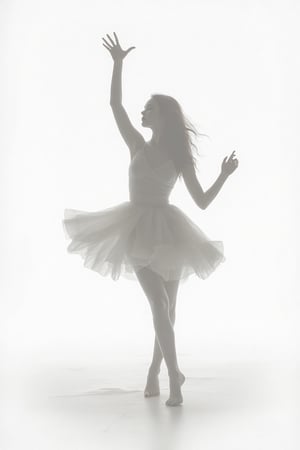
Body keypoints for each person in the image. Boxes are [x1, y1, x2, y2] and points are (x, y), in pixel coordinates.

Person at [62, 32, 239, 407]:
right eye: (142, 108)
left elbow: (202, 202)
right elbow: (115, 105)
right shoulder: (136, 145)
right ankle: (175, 379)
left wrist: (223, 176)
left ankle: (154, 370)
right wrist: (118, 64)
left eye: (149, 109)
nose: (142, 113)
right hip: (136, 228)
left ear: (164, 116)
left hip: (171, 232)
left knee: (169, 309)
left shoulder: (178, 158)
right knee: (159, 305)